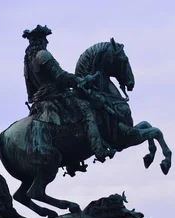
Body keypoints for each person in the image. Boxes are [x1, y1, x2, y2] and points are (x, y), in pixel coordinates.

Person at [22, 25, 115, 162]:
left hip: (39, 102)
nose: (47, 42)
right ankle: (99, 150)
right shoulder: (43, 55)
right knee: (87, 111)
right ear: (40, 41)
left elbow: (30, 89)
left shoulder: (27, 62)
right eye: (45, 39)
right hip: (56, 97)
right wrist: (80, 80)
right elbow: (61, 76)